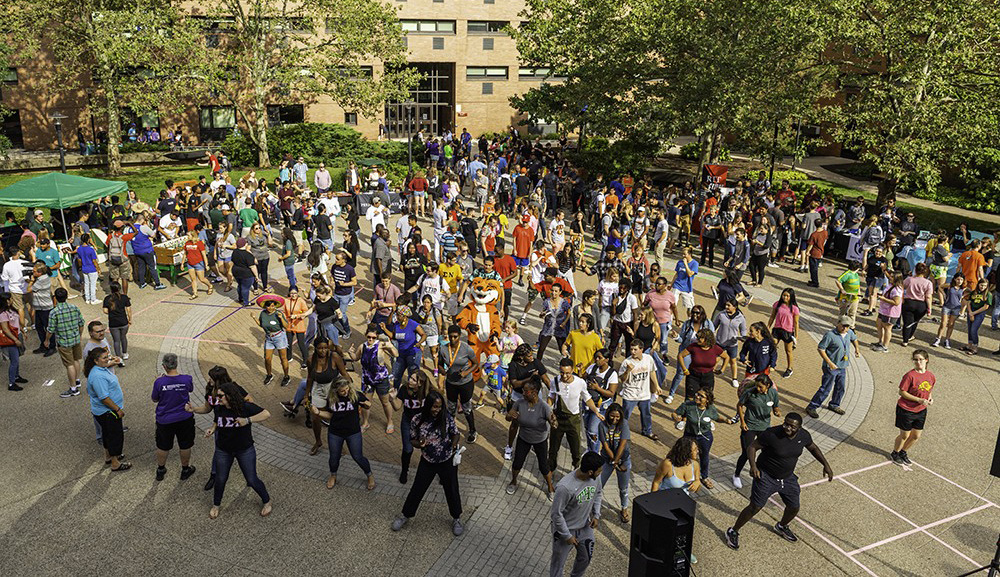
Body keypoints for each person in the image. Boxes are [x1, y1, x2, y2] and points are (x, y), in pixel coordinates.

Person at [725, 413, 834, 550]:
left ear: (799, 428)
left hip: (787, 478)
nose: (787, 428)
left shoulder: (804, 436)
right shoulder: (771, 434)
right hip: (766, 476)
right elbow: (752, 447)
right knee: (755, 507)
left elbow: (813, 448)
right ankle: (733, 531)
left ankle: (781, 526)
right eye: (786, 424)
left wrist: (826, 465)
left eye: (792, 426)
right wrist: (753, 466)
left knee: (794, 507)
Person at [188, 382, 272, 519]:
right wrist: (212, 429)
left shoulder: (244, 407)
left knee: (251, 479)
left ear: (230, 396)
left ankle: (267, 501)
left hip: (244, 449)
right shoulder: (219, 407)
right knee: (220, 479)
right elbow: (217, 421)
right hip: (223, 450)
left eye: (221, 396)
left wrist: (247, 420)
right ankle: (216, 505)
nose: (218, 399)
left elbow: (266, 414)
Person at [391, 390, 465, 536]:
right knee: (417, 489)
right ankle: (405, 515)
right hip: (427, 461)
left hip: (446, 460)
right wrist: (419, 444)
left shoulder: (446, 417)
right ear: (428, 405)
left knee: (452, 490)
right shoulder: (417, 419)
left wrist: (453, 444)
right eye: (435, 406)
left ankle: (456, 518)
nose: (437, 410)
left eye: (440, 407)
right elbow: (412, 440)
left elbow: (455, 433)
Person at [549, 451, 604, 577]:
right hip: (564, 531)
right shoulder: (565, 487)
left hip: (584, 527)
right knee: (558, 565)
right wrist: (567, 535)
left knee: (585, 558)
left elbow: (598, 493)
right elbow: (556, 514)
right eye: (599, 471)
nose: (600, 473)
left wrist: (596, 515)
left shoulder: (595, 478)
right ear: (590, 472)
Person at [315, 377, 376, 491]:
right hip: (335, 432)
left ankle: (369, 475)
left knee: (357, 456)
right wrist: (318, 412)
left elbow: (367, 404)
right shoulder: (331, 398)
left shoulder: (355, 395)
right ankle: (333, 475)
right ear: (336, 390)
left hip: (353, 432)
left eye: (347, 389)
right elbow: (330, 415)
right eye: (342, 391)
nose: (346, 392)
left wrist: (367, 404)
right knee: (334, 457)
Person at [650, 437, 702, 563]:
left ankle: (685, 551)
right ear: (686, 451)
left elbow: (697, 487)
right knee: (666, 532)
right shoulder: (668, 464)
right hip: (665, 504)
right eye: (695, 449)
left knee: (684, 531)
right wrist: (652, 504)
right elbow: (656, 482)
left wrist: (697, 482)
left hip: (683, 504)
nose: (698, 451)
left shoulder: (695, 464)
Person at [549, 358, 605, 473]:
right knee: (553, 449)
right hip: (558, 420)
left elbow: (587, 398)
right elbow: (551, 397)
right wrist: (547, 410)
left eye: (567, 373)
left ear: (572, 370)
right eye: (562, 373)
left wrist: (596, 411)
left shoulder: (580, 382)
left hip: (573, 420)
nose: (564, 376)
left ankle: (577, 471)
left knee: (576, 450)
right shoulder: (555, 381)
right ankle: (550, 471)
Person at [506, 379, 557, 496]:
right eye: (523, 390)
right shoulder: (519, 403)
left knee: (544, 467)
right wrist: (510, 415)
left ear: (534, 393)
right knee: (517, 463)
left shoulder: (544, 407)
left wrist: (554, 422)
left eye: (526, 391)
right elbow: (508, 418)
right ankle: (513, 481)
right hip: (523, 438)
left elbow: (554, 423)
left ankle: (550, 488)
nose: (523, 393)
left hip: (540, 441)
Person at [672, 388, 730, 489]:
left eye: (701, 396)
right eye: (697, 394)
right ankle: (685, 475)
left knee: (704, 456)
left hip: (705, 437)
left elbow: (717, 417)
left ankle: (704, 477)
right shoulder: (688, 405)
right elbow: (674, 413)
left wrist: (725, 420)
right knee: (686, 456)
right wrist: (676, 418)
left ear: (707, 400)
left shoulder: (711, 408)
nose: (697, 396)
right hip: (690, 436)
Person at [152, 353, 196, 481]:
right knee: (185, 445)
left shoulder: (159, 382)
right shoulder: (187, 379)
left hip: (165, 420)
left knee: (163, 446)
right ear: (176, 364)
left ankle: (161, 469)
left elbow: (155, 399)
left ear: (164, 366)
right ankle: (185, 469)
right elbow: (190, 389)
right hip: (184, 418)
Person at [805, 315, 860, 419]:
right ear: (837, 323)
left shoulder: (849, 332)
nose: (845, 328)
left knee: (840, 387)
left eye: (847, 326)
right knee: (826, 388)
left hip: (842, 366)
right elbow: (821, 349)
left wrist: (857, 348)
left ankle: (834, 404)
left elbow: (854, 339)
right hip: (831, 367)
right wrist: (829, 363)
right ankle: (812, 406)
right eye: (843, 325)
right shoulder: (830, 335)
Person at [84, 347, 130, 471]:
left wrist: (114, 361)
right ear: (96, 360)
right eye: (104, 358)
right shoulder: (98, 376)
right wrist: (117, 409)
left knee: (107, 433)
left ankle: (108, 456)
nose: (107, 359)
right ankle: (115, 463)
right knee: (114, 436)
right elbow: (104, 398)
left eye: (107, 356)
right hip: (108, 412)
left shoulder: (99, 368)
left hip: (104, 412)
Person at [345, 326, 397, 434]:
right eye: (369, 337)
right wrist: (350, 353)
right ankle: (365, 423)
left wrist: (391, 346)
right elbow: (355, 358)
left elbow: (396, 354)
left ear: (377, 337)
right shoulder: (362, 346)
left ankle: (390, 421)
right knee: (366, 402)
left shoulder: (381, 345)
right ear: (366, 335)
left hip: (381, 380)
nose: (371, 339)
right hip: (367, 380)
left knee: (385, 402)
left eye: (373, 337)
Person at [733, 374, 781, 488]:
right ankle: (736, 475)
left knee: (766, 451)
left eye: (760, 387)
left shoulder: (773, 393)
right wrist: (742, 422)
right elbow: (739, 405)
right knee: (746, 453)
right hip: (750, 427)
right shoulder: (749, 393)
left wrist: (777, 411)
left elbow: (775, 406)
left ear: (767, 386)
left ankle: (764, 473)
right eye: (756, 386)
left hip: (764, 427)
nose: (758, 389)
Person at [891, 349, 934, 466]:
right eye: (915, 360)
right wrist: (918, 400)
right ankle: (895, 453)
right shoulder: (910, 376)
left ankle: (903, 452)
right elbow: (902, 392)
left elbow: (929, 389)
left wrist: (930, 398)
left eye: (921, 359)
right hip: (906, 409)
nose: (918, 362)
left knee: (915, 436)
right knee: (905, 435)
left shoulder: (930, 376)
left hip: (921, 410)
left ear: (926, 360)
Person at [389, 370, 433, 483]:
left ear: (420, 383)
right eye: (410, 378)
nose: (410, 380)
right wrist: (392, 399)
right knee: (408, 449)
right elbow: (397, 407)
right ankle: (404, 471)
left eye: (414, 379)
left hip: (423, 423)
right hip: (407, 422)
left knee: (427, 448)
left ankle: (433, 471)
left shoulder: (427, 392)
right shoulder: (404, 389)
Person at [438, 324, 479, 443]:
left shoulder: (466, 348)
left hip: (465, 383)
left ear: (460, 336)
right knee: (451, 408)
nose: (452, 339)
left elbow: (476, 363)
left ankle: (472, 430)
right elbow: (439, 364)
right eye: (450, 336)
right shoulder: (443, 348)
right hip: (451, 383)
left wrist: (466, 372)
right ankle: (451, 429)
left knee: (467, 409)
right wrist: (442, 370)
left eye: (455, 337)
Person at [597, 403, 632, 523]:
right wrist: (614, 462)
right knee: (598, 486)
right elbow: (605, 446)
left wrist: (617, 461)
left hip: (623, 459)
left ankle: (624, 508)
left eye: (617, 417)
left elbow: (622, 444)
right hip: (607, 459)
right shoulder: (602, 425)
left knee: (623, 488)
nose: (614, 419)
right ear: (608, 414)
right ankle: (595, 510)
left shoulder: (624, 424)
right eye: (612, 416)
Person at [618, 341, 660, 441]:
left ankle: (647, 431)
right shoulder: (626, 362)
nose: (633, 352)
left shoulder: (648, 359)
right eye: (631, 349)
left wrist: (657, 386)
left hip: (644, 394)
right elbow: (622, 379)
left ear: (641, 349)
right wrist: (628, 370)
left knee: (646, 414)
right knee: (625, 415)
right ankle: (620, 432)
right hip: (630, 394)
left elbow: (652, 372)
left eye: (635, 349)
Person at [50, 288, 86, 398]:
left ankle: (73, 389)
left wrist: (46, 340)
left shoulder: (54, 312)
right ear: (66, 297)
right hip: (75, 339)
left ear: (55, 298)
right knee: (76, 360)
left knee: (69, 365)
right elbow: (81, 323)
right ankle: (77, 380)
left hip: (64, 342)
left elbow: (50, 329)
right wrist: (79, 335)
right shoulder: (74, 308)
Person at [679, 328, 729, 400]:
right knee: (690, 399)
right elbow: (680, 355)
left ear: (707, 339)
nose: (698, 339)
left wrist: (722, 370)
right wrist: (684, 369)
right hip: (693, 376)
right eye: (698, 337)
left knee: (706, 399)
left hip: (708, 378)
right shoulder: (693, 346)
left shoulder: (715, 348)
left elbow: (726, 357)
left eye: (701, 338)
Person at [766, 288, 800, 378]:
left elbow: (796, 323)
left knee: (788, 351)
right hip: (777, 330)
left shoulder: (794, 309)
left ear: (791, 297)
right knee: (772, 346)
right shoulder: (777, 304)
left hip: (788, 332)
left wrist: (796, 336)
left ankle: (789, 368)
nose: (785, 297)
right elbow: (772, 316)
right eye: (784, 295)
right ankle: (771, 364)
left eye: (787, 296)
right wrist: (768, 327)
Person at [257, 298, 291, 386]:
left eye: (272, 306)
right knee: (267, 358)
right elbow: (261, 324)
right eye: (268, 306)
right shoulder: (263, 313)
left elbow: (286, 326)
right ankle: (269, 375)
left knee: (283, 358)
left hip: (279, 337)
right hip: (269, 338)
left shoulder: (278, 314)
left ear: (275, 306)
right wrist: (254, 318)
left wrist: (281, 318)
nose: (270, 308)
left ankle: (286, 376)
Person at [900, 263, 934, 346]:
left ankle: (905, 340)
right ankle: (910, 336)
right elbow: (928, 297)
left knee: (907, 322)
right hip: (921, 304)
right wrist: (929, 309)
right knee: (915, 322)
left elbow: (901, 287)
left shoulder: (909, 279)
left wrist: (902, 298)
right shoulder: (928, 283)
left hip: (909, 302)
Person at [872, 273, 904, 352]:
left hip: (890, 312)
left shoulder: (897, 290)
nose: (890, 277)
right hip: (883, 310)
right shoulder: (890, 285)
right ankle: (880, 342)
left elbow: (896, 302)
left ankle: (885, 346)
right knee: (879, 324)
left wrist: (883, 299)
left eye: (892, 277)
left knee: (887, 328)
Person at [932, 273, 965, 349]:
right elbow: (940, 286)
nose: (959, 281)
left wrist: (963, 298)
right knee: (943, 323)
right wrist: (943, 294)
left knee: (951, 324)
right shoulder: (950, 286)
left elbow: (970, 292)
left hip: (956, 308)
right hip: (947, 306)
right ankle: (938, 339)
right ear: (955, 279)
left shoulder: (963, 288)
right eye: (958, 279)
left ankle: (947, 340)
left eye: (961, 279)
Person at [101, 281, 132, 363]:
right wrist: (130, 319)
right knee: (123, 337)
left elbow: (105, 311)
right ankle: (125, 353)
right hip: (123, 321)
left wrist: (112, 312)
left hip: (113, 323)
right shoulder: (124, 297)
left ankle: (118, 357)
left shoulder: (107, 299)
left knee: (116, 340)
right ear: (119, 288)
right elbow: (129, 310)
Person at [0, 294, 26, 391]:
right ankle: (11, 383)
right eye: (10, 298)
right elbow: (5, 329)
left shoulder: (11, 310)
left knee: (17, 358)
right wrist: (15, 340)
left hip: (17, 335)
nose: (12, 299)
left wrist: (22, 331)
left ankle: (16, 376)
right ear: (6, 301)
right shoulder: (2, 314)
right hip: (11, 339)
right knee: (14, 361)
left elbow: (16, 322)